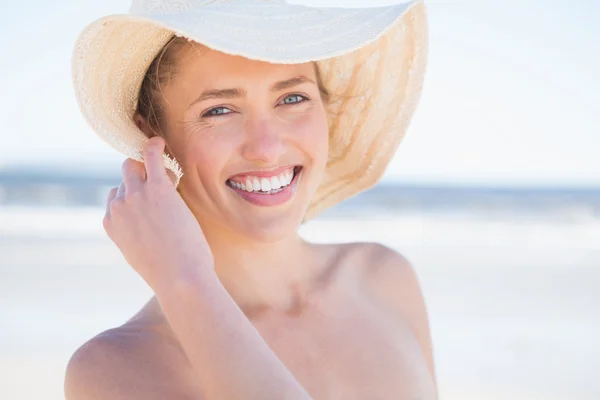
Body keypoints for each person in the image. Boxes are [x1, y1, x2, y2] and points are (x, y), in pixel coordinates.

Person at [64, 0, 436, 398]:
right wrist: (185, 284)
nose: (267, 148)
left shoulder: (384, 280)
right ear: (152, 138)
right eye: (219, 110)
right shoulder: (116, 370)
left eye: (292, 98)